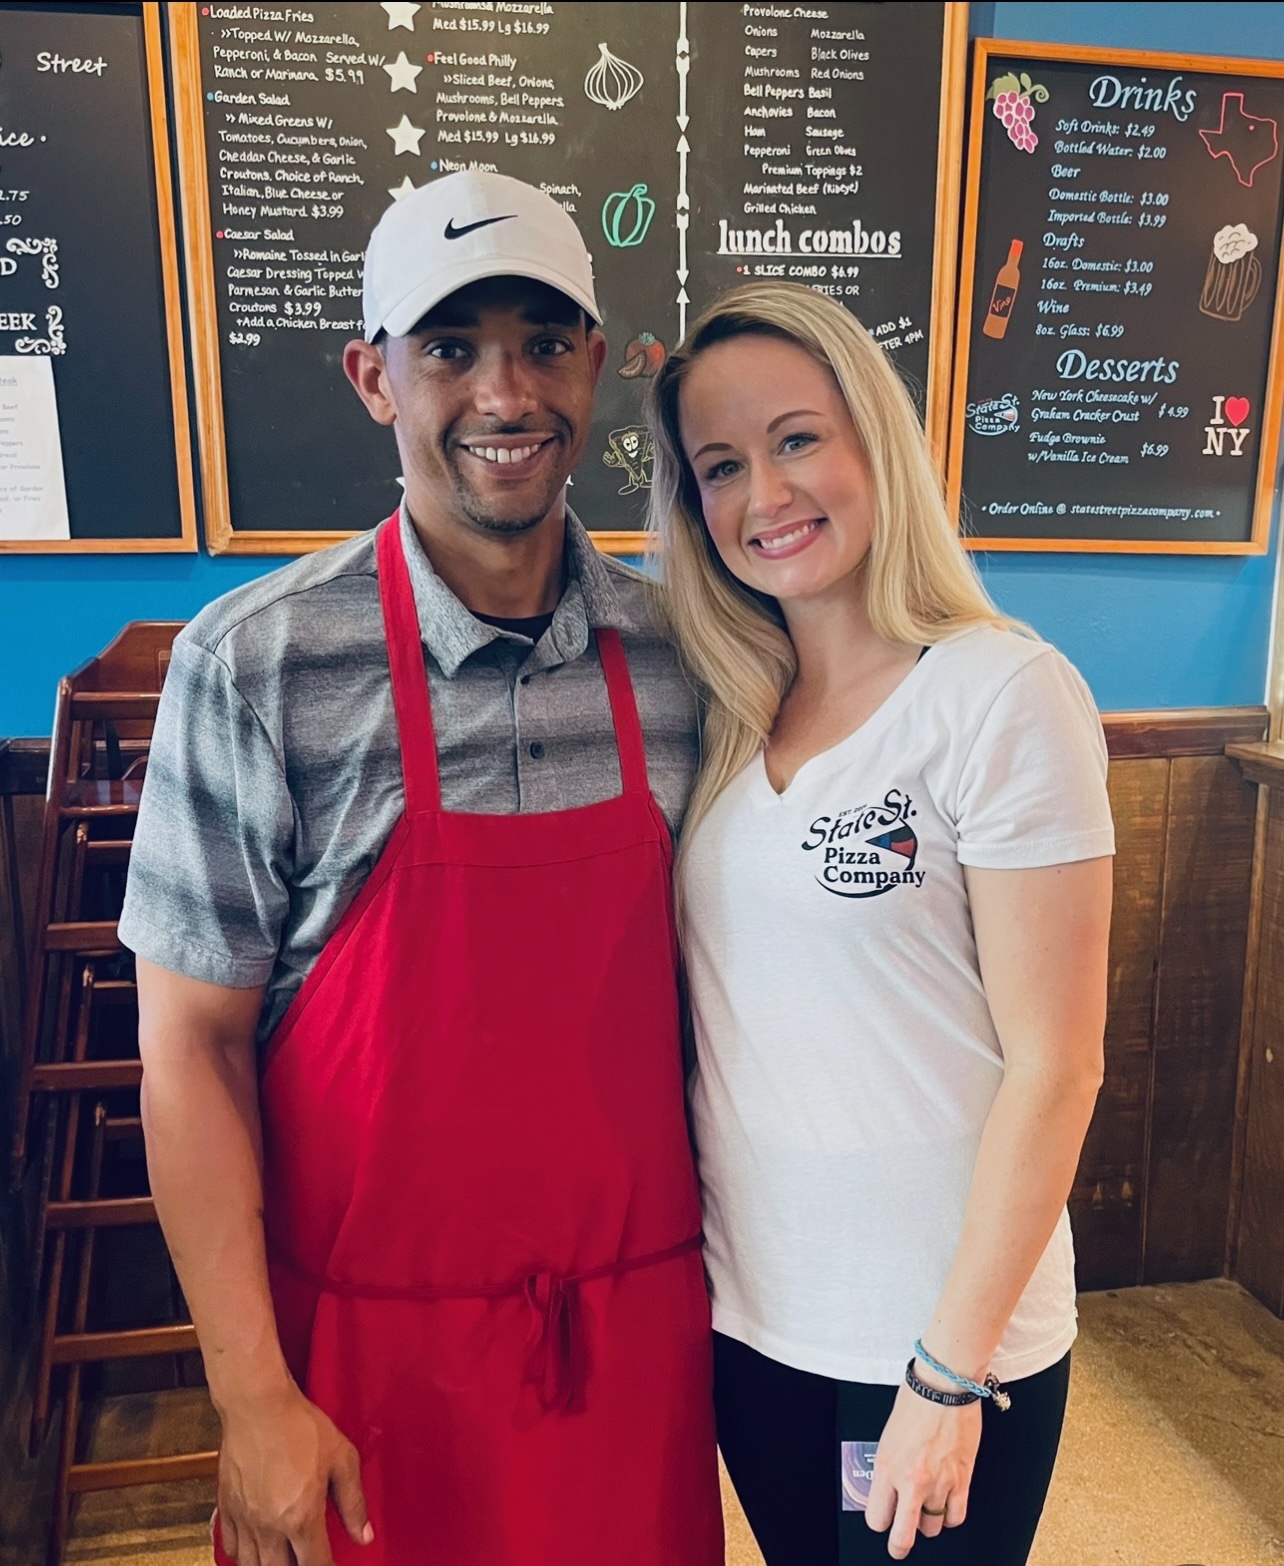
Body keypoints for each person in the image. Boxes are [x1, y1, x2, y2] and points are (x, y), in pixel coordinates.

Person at [120, 171, 723, 1566]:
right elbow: (189, 1053)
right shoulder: (254, 661)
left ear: (600, 360)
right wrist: (250, 1390)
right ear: (373, 375)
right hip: (357, 1371)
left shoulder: (692, 656)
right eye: (450, 346)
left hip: (635, 1359)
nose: (506, 393)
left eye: (543, 340)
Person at [646, 280, 1114, 1565]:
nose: (765, 497)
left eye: (797, 438)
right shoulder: (729, 713)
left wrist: (946, 1375)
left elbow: (1059, 1063)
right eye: (720, 466)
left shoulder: (1000, 692)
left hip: (943, 1346)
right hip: (758, 1323)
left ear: (875, 438)